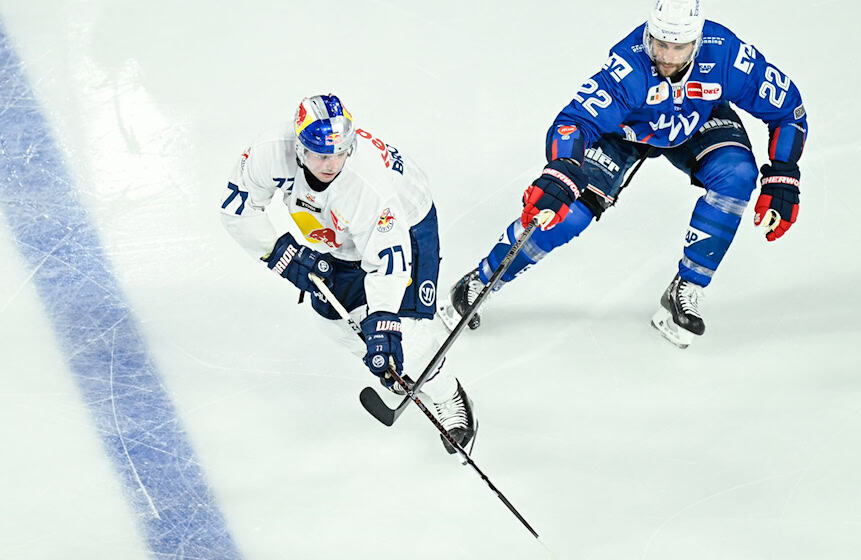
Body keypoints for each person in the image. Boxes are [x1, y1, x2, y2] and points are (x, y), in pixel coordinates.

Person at [439, 0, 808, 349]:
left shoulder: (726, 54)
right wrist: (562, 170)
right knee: (568, 213)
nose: (666, 56)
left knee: (738, 176)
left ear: (696, 43)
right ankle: (482, 280)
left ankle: (688, 286)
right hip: (626, 132)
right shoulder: (628, 67)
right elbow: (574, 122)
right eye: (659, 44)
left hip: (696, 119)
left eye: (678, 47)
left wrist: (783, 174)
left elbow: (788, 108)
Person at [220, 93, 476, 453]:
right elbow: (237, 209)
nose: (332, 163)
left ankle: (449, 395)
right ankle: (399, 368)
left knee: (403, 334)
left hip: (406, 224)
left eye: (341, 152)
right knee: (334, 321)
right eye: (321, 155)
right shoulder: (269, 153)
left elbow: (388, 258)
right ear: (299, 148)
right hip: (341, 233)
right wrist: (281, 255)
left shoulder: (365, 183)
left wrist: (384, 321)